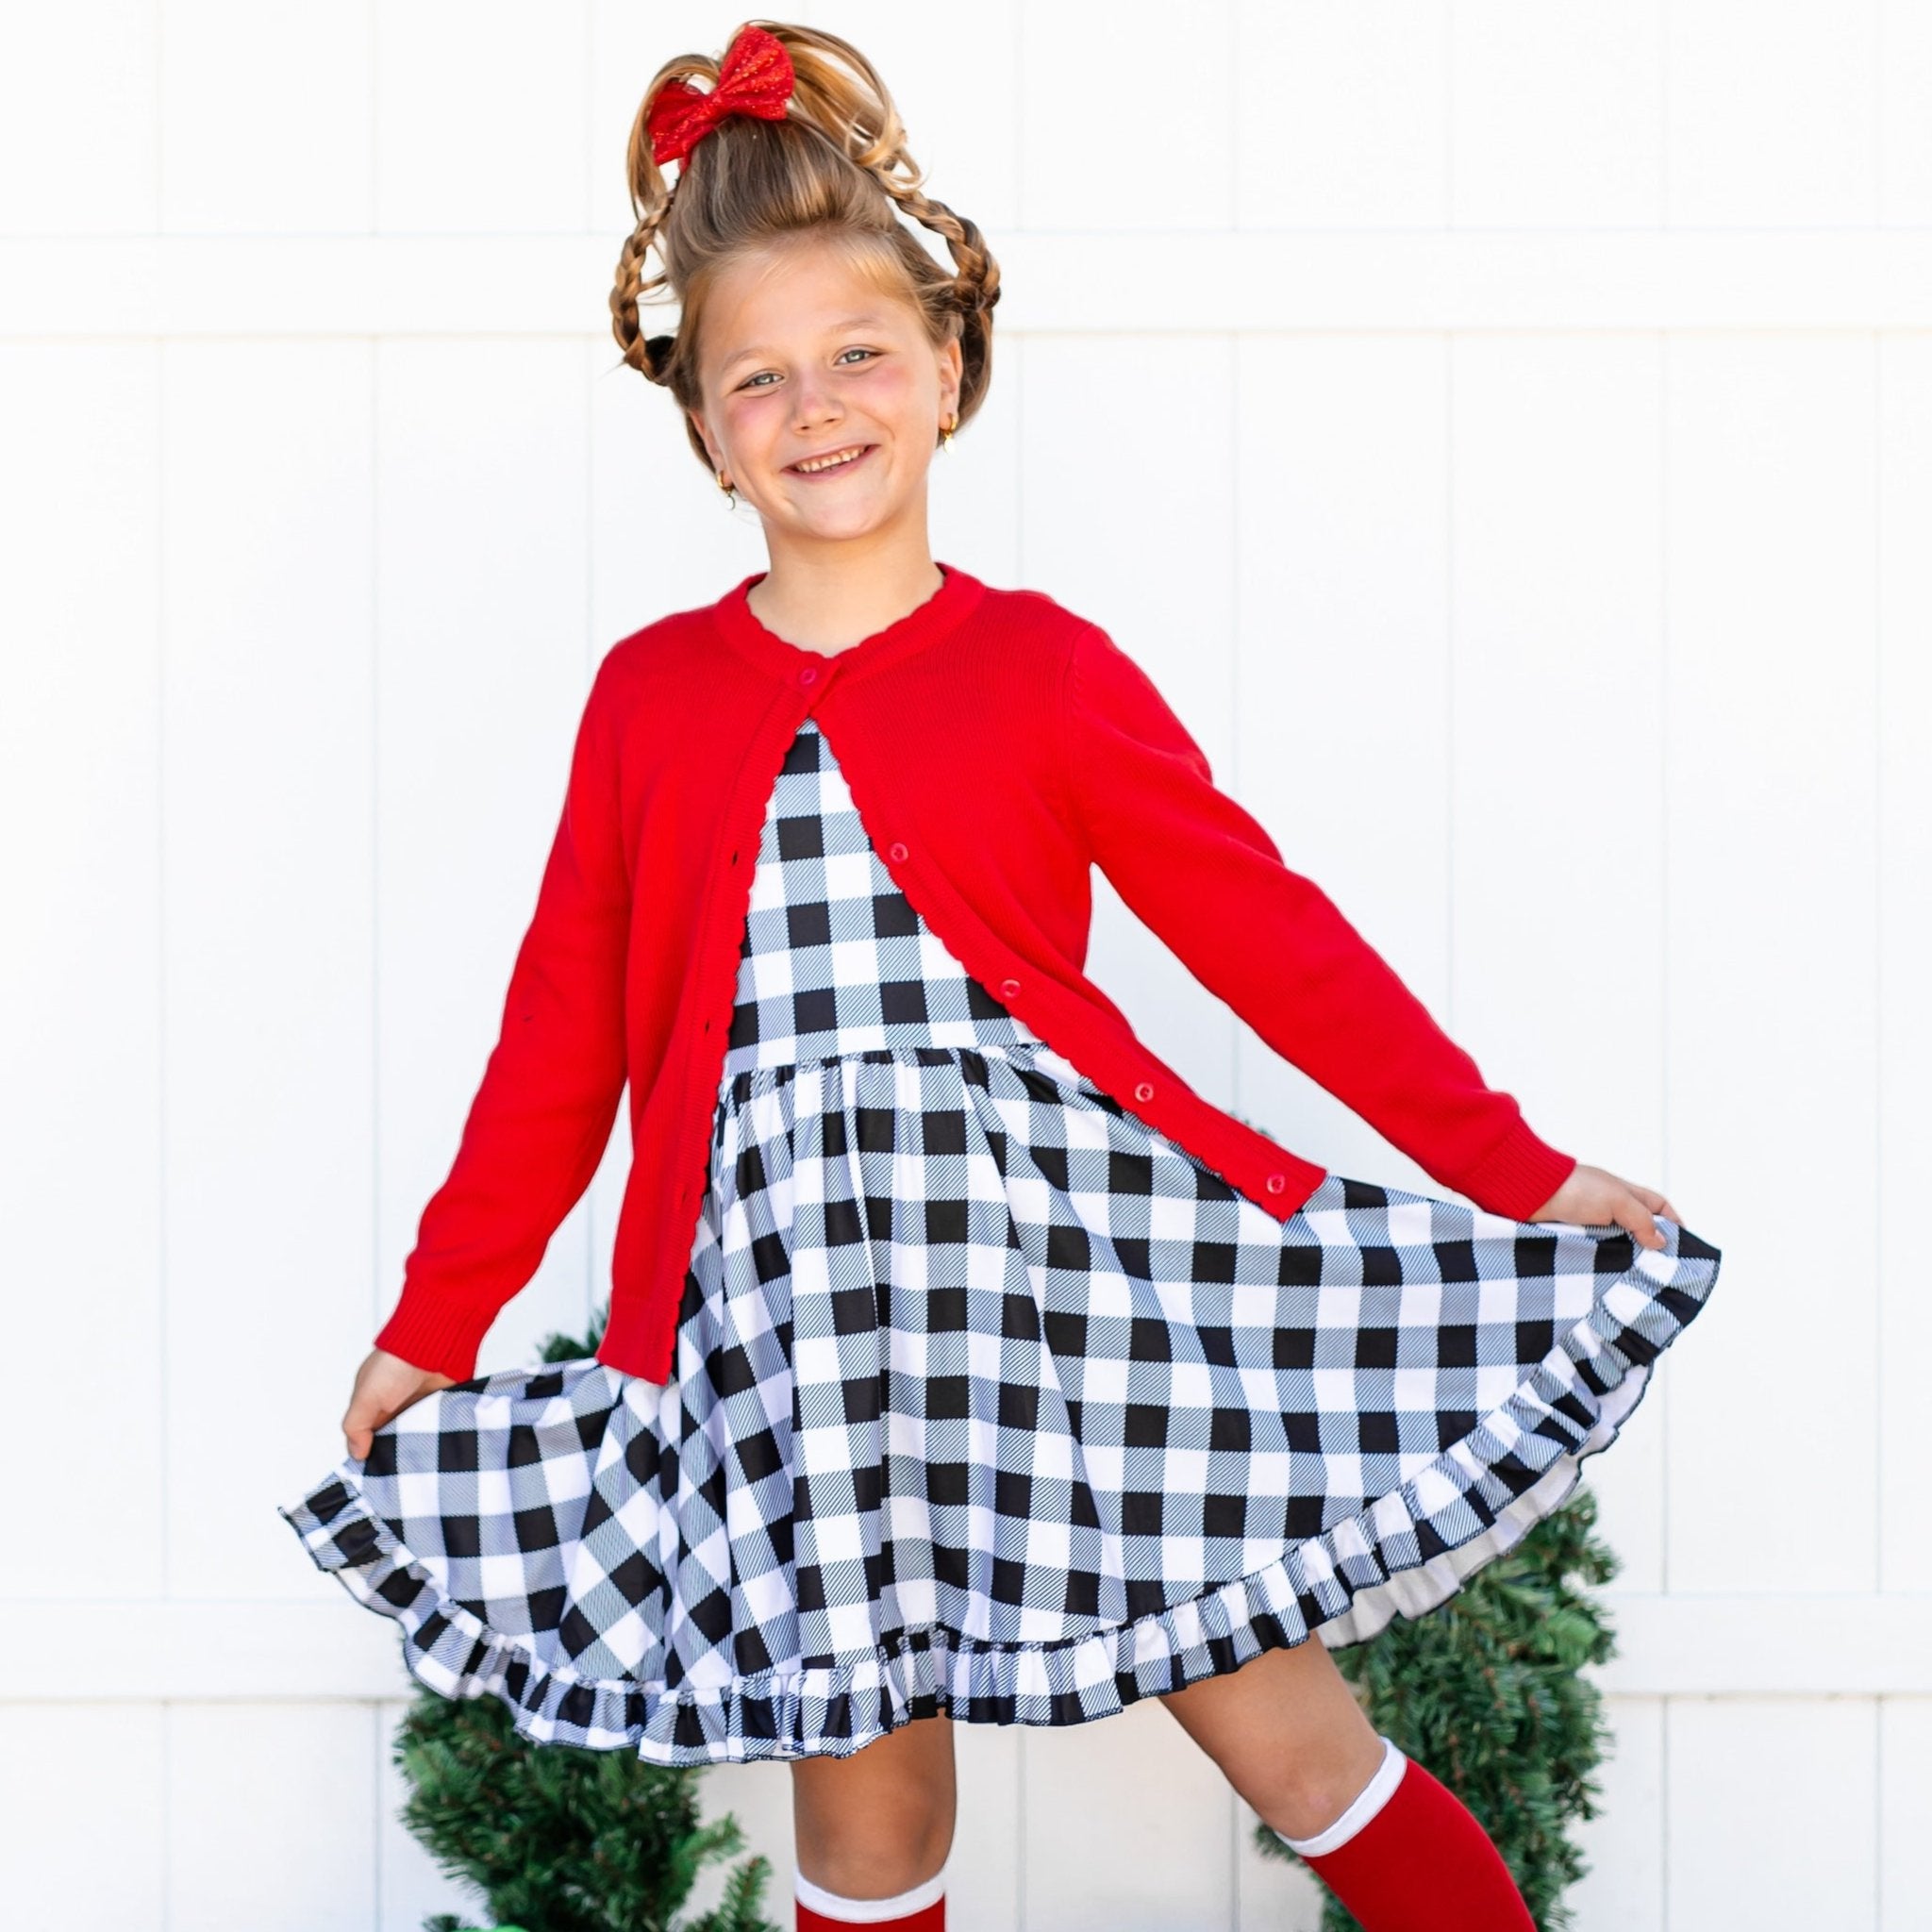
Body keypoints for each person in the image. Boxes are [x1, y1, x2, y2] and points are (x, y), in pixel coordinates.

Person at [278, 22, 1723, 1932]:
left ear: (948, 370)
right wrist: (440, 1311)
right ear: (704, 428)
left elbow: (1266, 935)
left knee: (1286, 1734)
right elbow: (560, 1034)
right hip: (797, 1345)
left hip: (1069, 1309)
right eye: (756, 378)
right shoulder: (648, 701)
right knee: (864, 1822)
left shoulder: (1042, 671)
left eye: (860, 354)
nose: (816, 407)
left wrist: (1511, 1167)